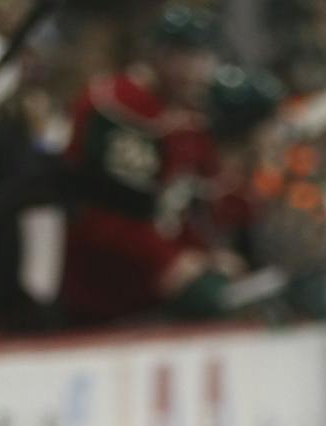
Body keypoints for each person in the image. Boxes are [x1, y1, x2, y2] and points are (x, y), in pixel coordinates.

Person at [58, 4, 223, 325]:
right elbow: (109, 216)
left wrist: (200, 254)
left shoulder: (183, 111)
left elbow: (178, 204)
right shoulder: (118, 107)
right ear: (159, 54)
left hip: (147, 279)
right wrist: (169, 260)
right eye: (187, 56)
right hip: (103, 291)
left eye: (204, 57)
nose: (199, 70)